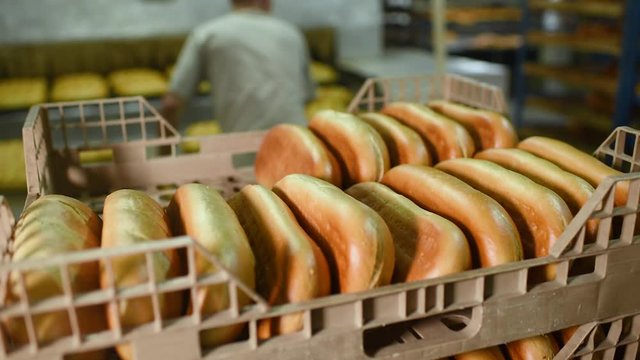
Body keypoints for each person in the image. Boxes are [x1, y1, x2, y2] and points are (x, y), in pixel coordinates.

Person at [161, 0, 315, 134]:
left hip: (241, 148)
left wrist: (164, 156)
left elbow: (171, 104)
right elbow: (307, 97)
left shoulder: (207, 34)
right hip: (297, 144)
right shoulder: (292, 33)